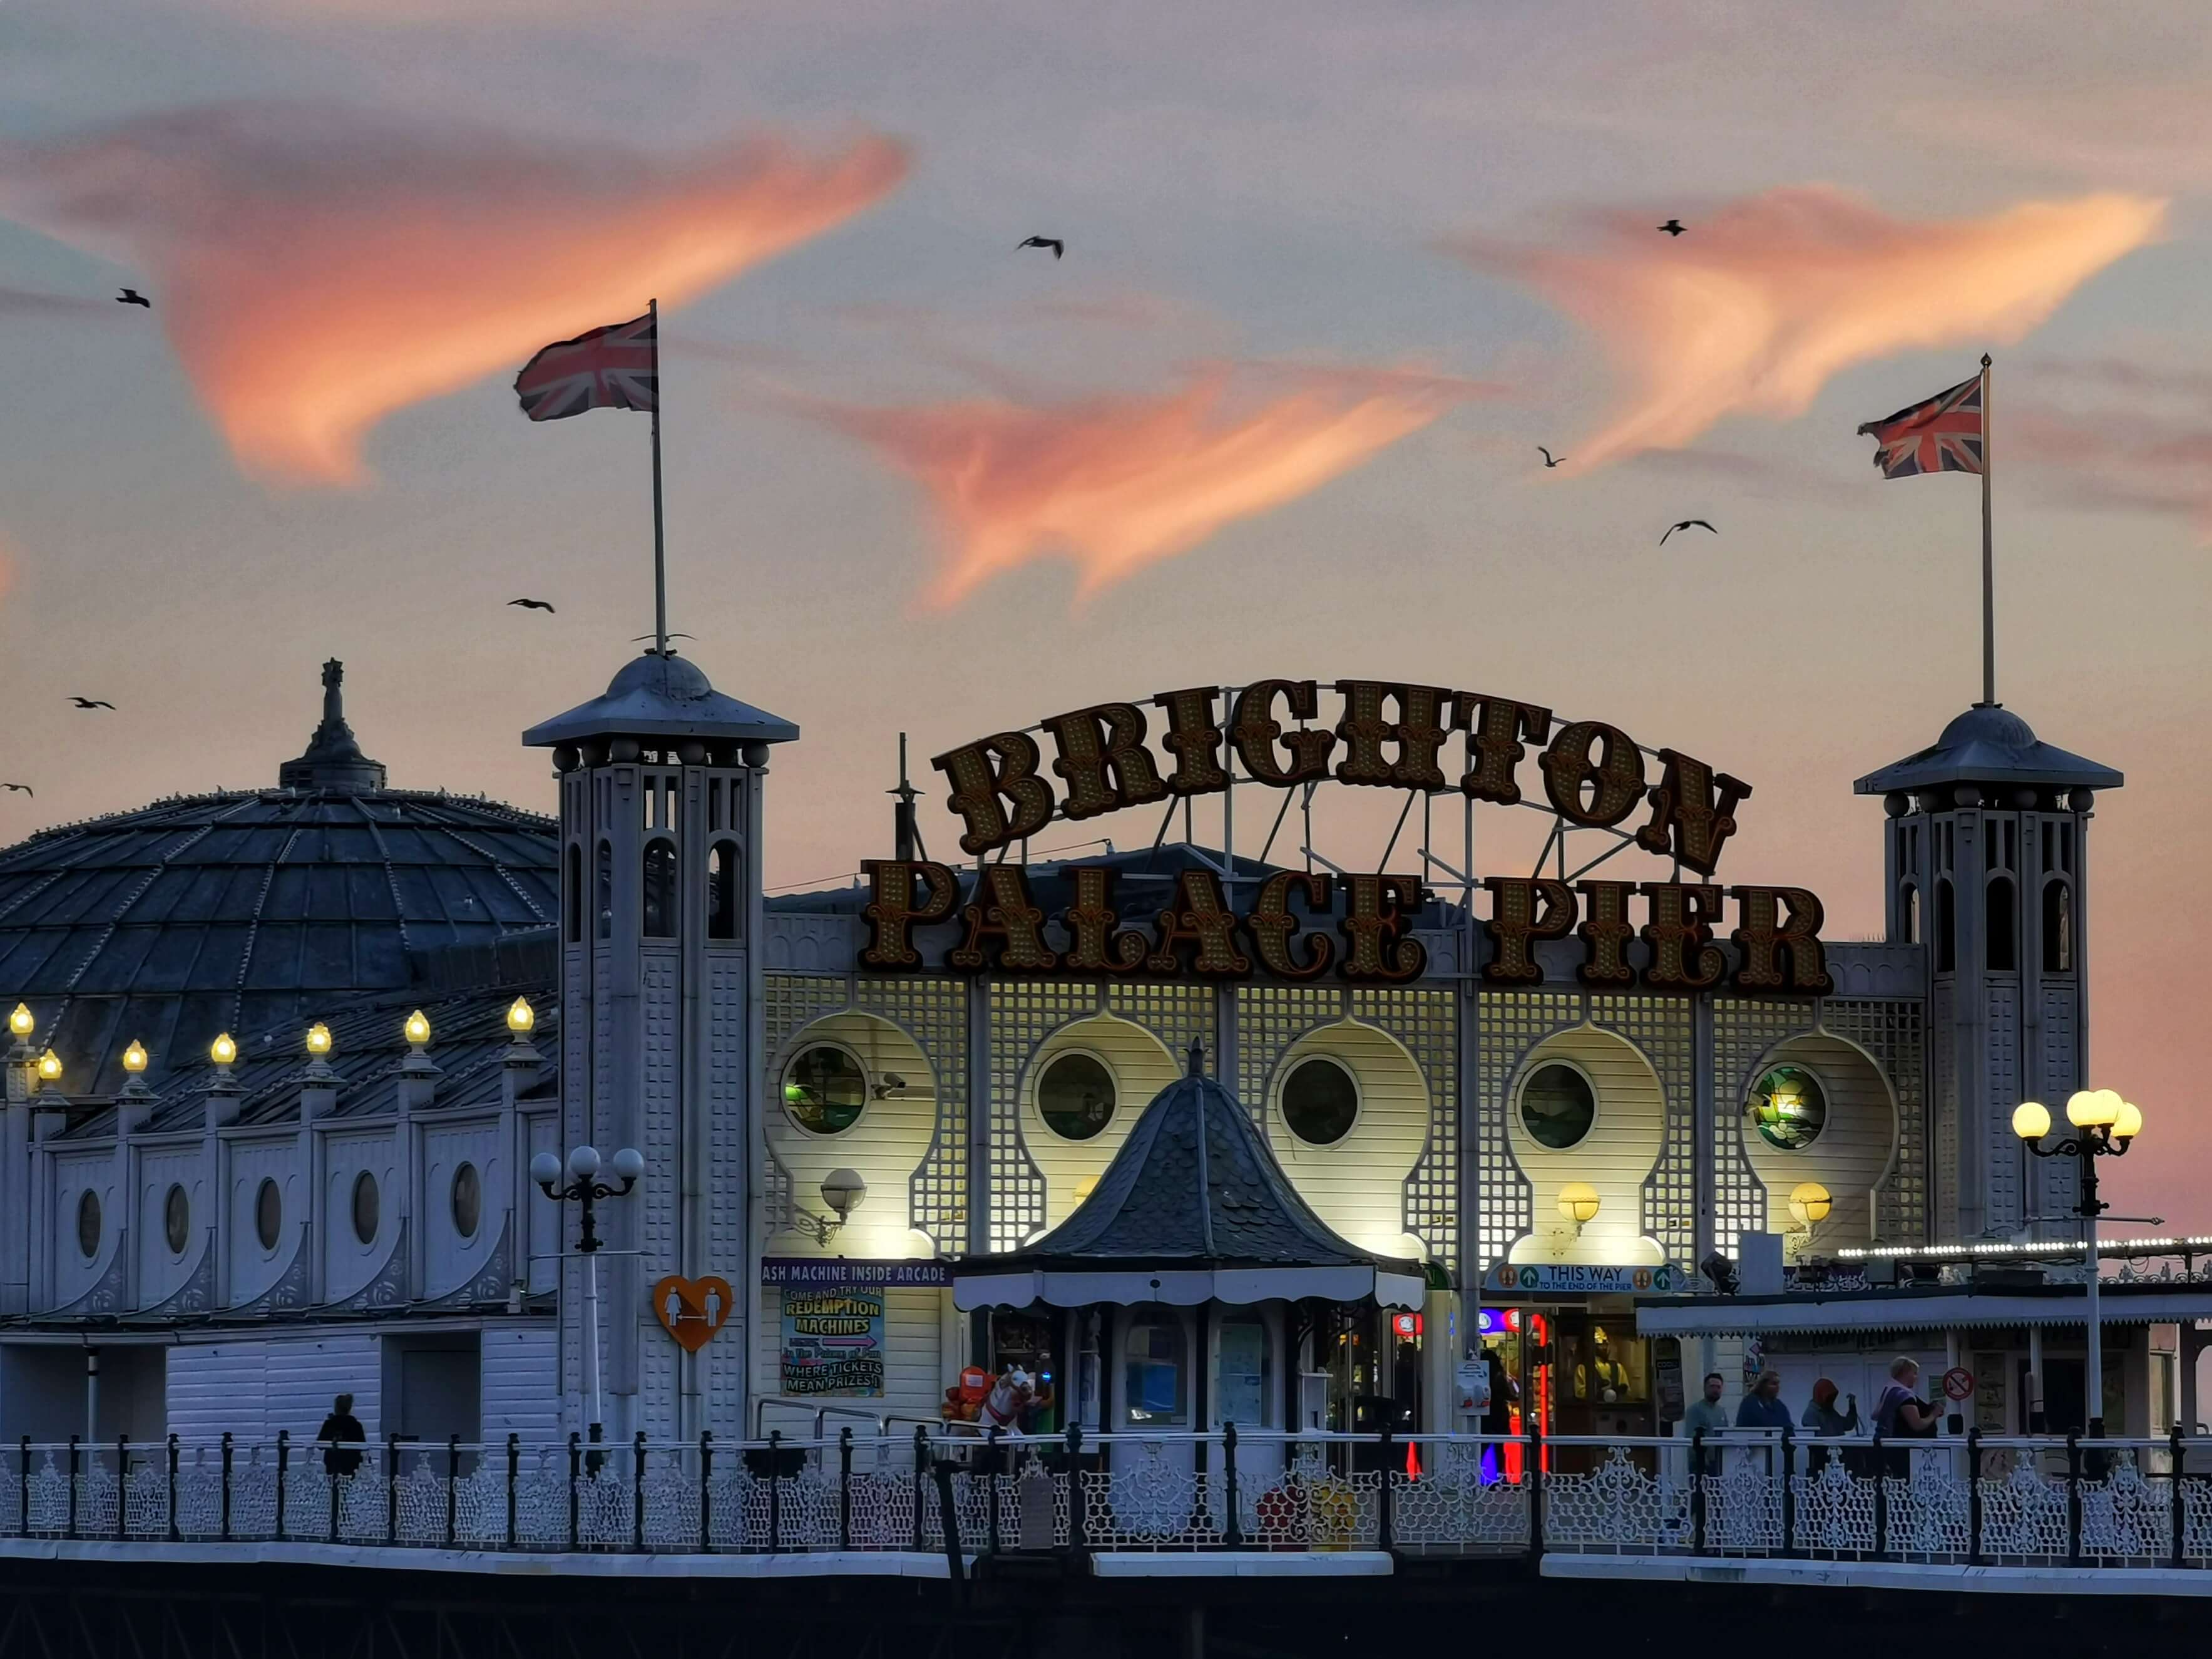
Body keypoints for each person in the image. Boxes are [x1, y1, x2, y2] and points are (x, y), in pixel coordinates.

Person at [1872, 1357, 1938, 1476]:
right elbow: (1917, 1424)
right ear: (1905, 1372)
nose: (1916, 1378)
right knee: (1907, 1480)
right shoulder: (1903, 1395)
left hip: (1894, 1447)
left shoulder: (1890, 1390)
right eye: (1914, 1374)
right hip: (1905, 1450)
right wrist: (1934, 1415)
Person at [1801, 1377, 1860, 1474]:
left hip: (1838, 1456)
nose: (1831, 1400)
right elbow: (1816, 1440)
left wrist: (1852, 1406)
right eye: (1829, 1397)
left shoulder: (1830, 1412)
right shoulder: (1811, 1414)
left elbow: (1847, 1425)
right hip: (1822, 1460)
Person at [1682, 1372, 1729, 1474]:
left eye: (1718, 1387)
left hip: (1719, 1462)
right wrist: (1703, 1461)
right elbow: (1692, 1437)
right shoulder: (1695, 1410)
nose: (1715, 1390)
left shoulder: (1721, 1411)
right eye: (1712, 1386)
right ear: (1705, 1388)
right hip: (1701, 1464)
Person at [317, 1394, 365, 1479]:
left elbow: (320, 1445)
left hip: (332, 1463)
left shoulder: (330, 1424)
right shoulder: (356, 1425)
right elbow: (363, 1445)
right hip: (351, 1464)